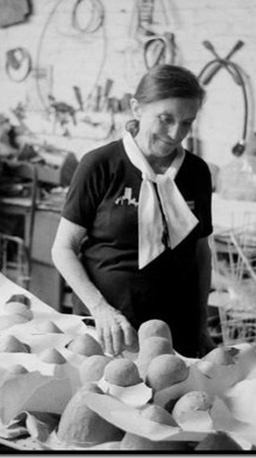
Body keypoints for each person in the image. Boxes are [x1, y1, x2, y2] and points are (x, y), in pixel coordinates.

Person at [51, 64, 214, 358]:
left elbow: (200, 252)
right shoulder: (100, 165)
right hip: (113, 328)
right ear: (136, 108)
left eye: (187, 123)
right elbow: (63, 249)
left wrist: (201, 323)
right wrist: (100, 310)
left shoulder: (196, 173)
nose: (176, 134)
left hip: (178, 330)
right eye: (165, 119)